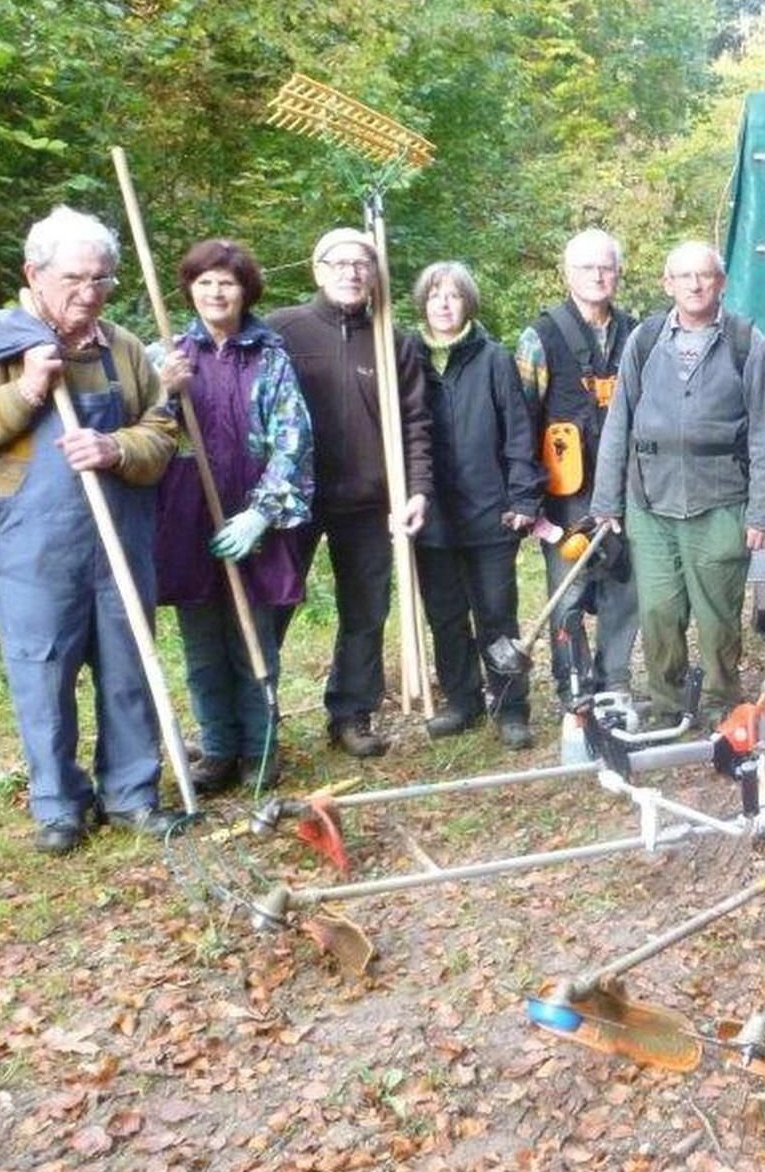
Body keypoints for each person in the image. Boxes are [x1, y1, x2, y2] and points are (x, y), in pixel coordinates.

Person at [0, 205, 184, 854]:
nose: (89, 294)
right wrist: (28, 391)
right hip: (32, 547)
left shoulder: (122, 349)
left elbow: (163, 428)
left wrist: (117, 449)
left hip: (118, 538)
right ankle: (60, 806)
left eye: (102, 280)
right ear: (33, 275)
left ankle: (131, 794)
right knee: (43, 674)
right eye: (75, 279)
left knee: (129, 668)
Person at [591, 241, 765, 723]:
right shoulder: (645, 339)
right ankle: (666, 705)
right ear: (667, 284)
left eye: (705, 276)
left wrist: (764, 511)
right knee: (658, 612)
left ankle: (722, 706)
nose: (695, 285)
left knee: (718, 616)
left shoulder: (747, 343)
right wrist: (606, 501)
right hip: (650, 502)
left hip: (721, 502)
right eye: (684, 276)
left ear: (721, 283)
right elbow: (620, 422)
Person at [152, 240, 315, 794]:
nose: (216, 292)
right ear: (189, 290)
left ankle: (260, 747)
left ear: (245, 291)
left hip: (253, 520)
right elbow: (144, 437)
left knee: (254, 641)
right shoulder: (170, 357)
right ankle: (218, 747)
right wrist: (162, 395)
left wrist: (260, 515)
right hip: (188, 518)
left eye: (226, 282)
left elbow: (294, 444)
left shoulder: (269, 357)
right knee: (201, 643)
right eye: (204, 283)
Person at [267, 228, 432, 758]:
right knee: (273, 605)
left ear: (375, 274)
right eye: (339, 263)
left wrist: (418, 489)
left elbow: (416, 424)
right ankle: (256, 715)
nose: (351, 272)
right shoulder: (282, 331)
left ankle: (351, 713)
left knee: (365, 611)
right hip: (293, 499)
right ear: (318, 270)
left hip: (368, 500)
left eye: (362, 263)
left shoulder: (393, 340)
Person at [410, 261, 545, 749]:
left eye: (453, 296)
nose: (444, 305)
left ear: (468, 302)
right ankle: (462, 701)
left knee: (495, 612)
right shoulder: (408, 360)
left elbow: (518, 432)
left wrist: (523, 497)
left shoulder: (492, 359)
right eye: (434, 296)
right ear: (422, 304)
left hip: (490, 511)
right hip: (432, 517)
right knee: (445, 613)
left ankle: (510, 705)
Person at [514, 230, 640, 701]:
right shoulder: (539, 337)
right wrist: (524, 496)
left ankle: (616, 680)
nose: (598, 276)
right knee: (567, 589)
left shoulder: (637, 334)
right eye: (587, 268)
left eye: (606, 267)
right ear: (567, 275)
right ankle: (573, 684)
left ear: (618, 273)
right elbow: (520, 420)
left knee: (624, 586)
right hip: (566, 491)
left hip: (627, 487)